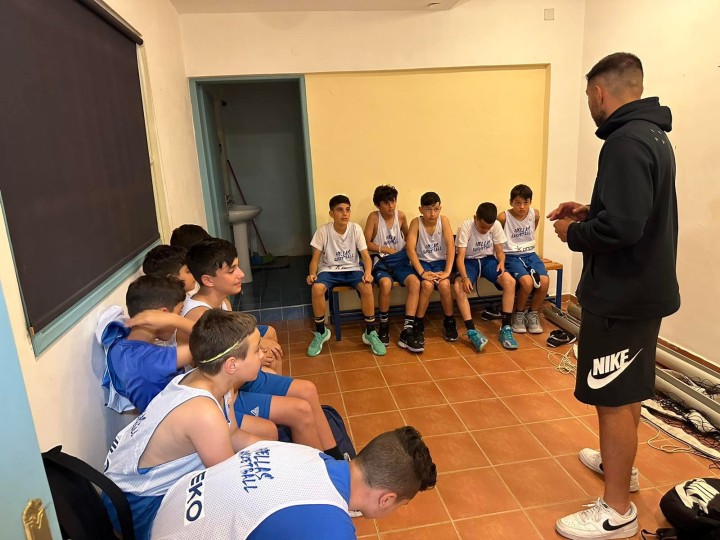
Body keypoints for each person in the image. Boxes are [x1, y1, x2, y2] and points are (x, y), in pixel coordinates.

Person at [548, 52, 680, 540]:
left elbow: (624, 228)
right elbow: (633, 212)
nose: (590, 105)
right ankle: (620, 467)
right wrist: (591, 210)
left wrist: (573, 232)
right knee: (628, 390)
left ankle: (617, 510)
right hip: (643, 291)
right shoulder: (652, 135)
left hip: (622, 297)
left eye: (589, 96)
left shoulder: (623, 143)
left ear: (600, 93)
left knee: (612, 397)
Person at [103, 310, 266, 540]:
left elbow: (234, 435)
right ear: (231, 365)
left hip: (134, 485)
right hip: (137, 503)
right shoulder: (203, 412)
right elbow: (229, 482)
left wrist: (282, 452)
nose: (262, 354)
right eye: (257, 350)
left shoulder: (214, 380)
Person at [181, 238, 344, 458]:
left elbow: (238, 346)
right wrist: (258, 360)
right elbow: (217, 377)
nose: (241, 274)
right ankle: (318, 468)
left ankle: (335, 457)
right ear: (208, 280)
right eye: (232, 270)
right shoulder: (198, 317)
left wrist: (257, 351)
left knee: (307, 390)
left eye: (238, 266)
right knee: (300, 409)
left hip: (237, 381)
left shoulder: (222, 302)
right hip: (224, 395)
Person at [150, 426, 437, 539]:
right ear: (387, 499)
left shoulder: (308, 454)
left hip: (168, 515)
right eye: (400, 505)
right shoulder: (333, 530)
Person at [306, 194, 386, 357]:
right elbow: (315, 259)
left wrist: (368, 273)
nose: (344, 214)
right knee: (317, 288)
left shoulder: (355, 229)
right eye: (340, 210)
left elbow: (365, 256)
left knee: (367, 287)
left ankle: (370, 332)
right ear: (331, 213)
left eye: (347, 210)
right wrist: (312, 274)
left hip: (352, 269)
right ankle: (321, 331)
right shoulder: (323, 231)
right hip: (329, 270)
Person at [364, 185, 423, 352]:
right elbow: (366, 243)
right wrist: (385, 249)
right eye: (386, 202)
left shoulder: (401, 216)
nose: (391, 206)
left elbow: (409, 239)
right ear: (378, 204)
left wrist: (406, 249)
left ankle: (407, 328)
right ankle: (383, 325)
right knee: (385, 284)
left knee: (415, 283)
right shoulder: (374, 217)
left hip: (401, 262)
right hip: (382, 262)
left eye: (393, 201)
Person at [454, 202, 518, 351]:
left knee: (509, 281)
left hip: (488, 260)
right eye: (482, 227)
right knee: (458, 287)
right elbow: (460, 257)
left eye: (488, 228)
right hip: (469, 261)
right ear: (475, 218)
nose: (485, 230)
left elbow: (500, 252)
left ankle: (506, 328)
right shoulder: (465, 227)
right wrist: (465, 278)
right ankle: (471, 331)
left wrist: (501, 262)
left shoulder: (496, 225)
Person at [405, 192, 457, 346]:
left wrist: (447, 272)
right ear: (421, 209)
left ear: (440, 208)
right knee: (427, 285)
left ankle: (449, 321)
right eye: (428, 209)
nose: (432, 213)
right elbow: (410, 249)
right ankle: (418, 322)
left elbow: (451, 246)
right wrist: (422, 272)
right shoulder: (416, 222)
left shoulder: (444, 220)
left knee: (445, 285)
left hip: (440, 262)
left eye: (436, 209)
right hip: (423, 263)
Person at [498, 184, 550, 334]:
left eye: (525, 203)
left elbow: (533, 228)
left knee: (544, 281)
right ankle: (519, 314)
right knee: (527, 282)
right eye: (517, 203)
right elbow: (496, 236)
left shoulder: (535, 214)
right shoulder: (503, 217)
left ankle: (532, 313)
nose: (522, 207)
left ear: (530, 202)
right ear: (511, 202)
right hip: (511, 255)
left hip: (530, 254)